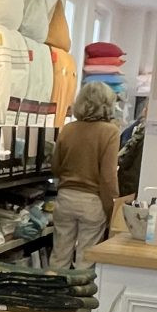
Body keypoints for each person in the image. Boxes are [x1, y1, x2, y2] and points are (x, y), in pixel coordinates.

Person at [50, 81, 121, 268]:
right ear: (108, 104)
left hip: (65, 198)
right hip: (92, 201)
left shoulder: (68, 129)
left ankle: (52, 285)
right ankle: (80, 287)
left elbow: (55, 167)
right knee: (86, 259)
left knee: (59, 256)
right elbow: (108, 177)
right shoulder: (110, 132)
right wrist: (112, 208)